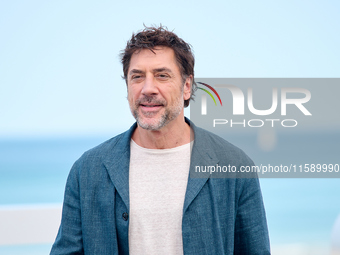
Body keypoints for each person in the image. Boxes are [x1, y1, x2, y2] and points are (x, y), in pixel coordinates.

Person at [50, 26, 270, 254]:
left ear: (187, 87)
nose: (148, 89)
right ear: (127, 87)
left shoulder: (234, 166)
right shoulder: (87, 170)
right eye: (137, 77)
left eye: (162, 75)